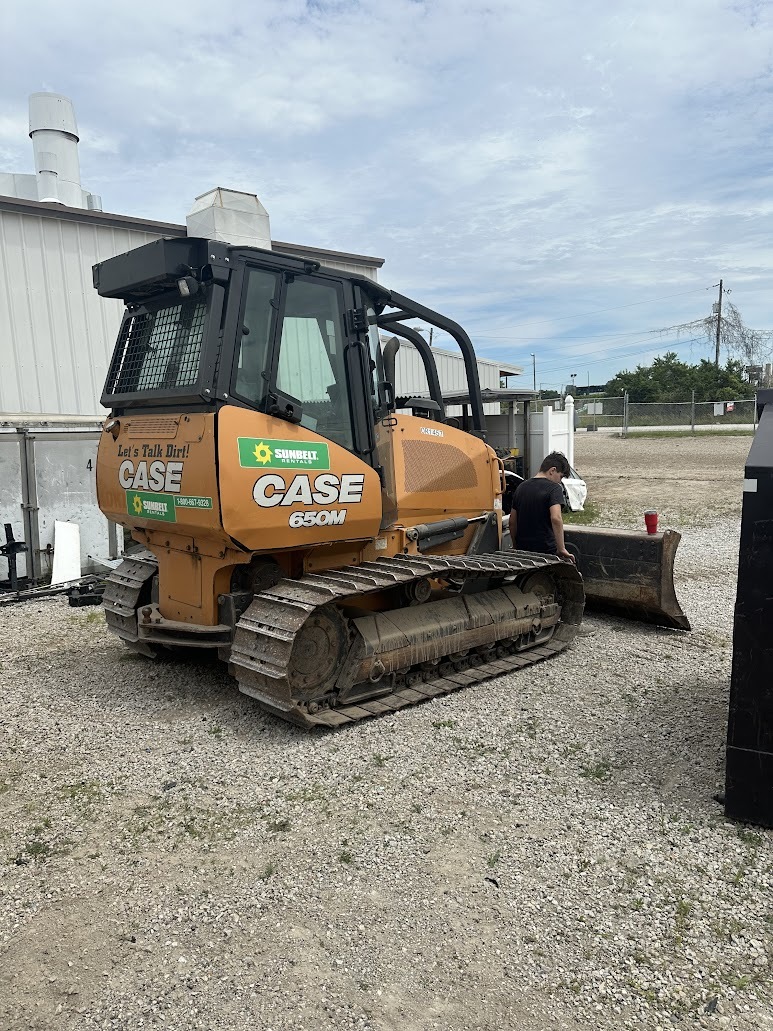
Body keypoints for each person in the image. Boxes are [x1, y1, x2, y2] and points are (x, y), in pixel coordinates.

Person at [509, 451, 576, 562]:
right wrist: (561, 549)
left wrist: (516, 546)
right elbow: (556, 518)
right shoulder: (554, 489)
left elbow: (512, 522)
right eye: (560, 476)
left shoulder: (521, 487)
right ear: (552, 470)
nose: (560, 481)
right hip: (546, 550)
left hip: (524, 549)